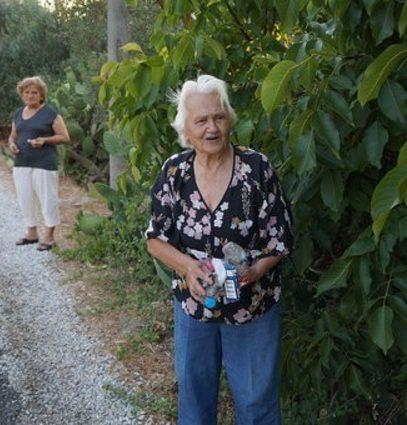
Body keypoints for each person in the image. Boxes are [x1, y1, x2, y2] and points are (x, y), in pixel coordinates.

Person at [145, 75, 292, 424]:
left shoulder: (256, 169)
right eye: (201, 120)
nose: (212, 127)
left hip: (252, 307)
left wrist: (256, 270)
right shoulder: (174, 172)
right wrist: (188, 268)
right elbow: (155, 238)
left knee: (257, 405)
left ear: (229, 119)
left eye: (219, 117)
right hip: (194, 306)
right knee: (194, 403)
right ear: (186, 129)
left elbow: (282, 237)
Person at [8, 76, 70, 251]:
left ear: (41, 94)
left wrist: (44, 140)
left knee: (47, 200)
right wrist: (12, 144)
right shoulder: (18, 113)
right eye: (26, 92)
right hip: (21, 163)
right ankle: (32, 234)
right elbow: (13, 135)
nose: (30, 95)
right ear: (22, 95)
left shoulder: (51, 113)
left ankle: (49, 237)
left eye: (34, 92)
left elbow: (65, 137)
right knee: (25, 199)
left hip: (44, 163)